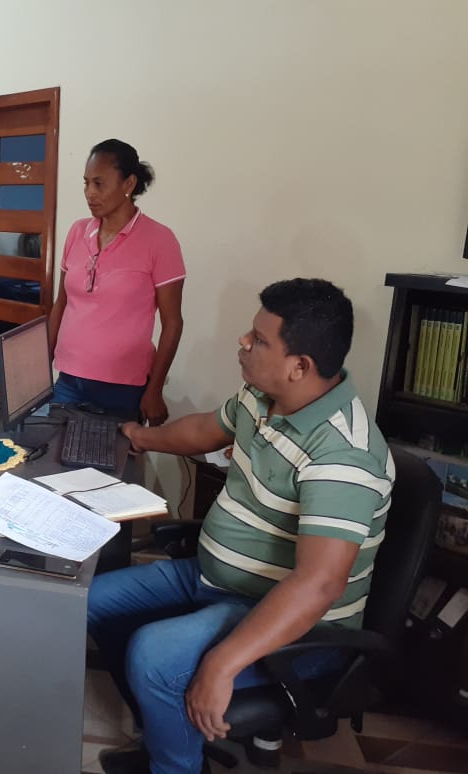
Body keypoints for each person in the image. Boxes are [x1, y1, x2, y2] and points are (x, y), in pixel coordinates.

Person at [87, 278, 394, 774]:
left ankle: (176, 765)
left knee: (155, 655)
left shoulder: (344, 455)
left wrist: (223, 662)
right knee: (90, 601)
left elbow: (318, 585)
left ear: (299, 366)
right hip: (212, 578)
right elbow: (203, 429)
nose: (243, 342)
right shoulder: (262, 396)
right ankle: (168, 733)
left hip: (291, 619)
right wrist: (140, 436)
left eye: (259, 339)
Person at [48, 140, 185, 425]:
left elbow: (172, 323)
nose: (90, 193)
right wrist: (40, 367)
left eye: (99, 183)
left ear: (129, 184)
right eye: (86, 183)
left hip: (123, 388)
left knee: (115, 454)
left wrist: (154, 390)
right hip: (69, 381)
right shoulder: (77, 232)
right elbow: (61, 303)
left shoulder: (159, 240)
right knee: (55, 451)